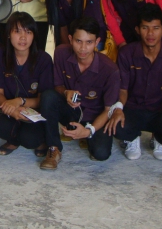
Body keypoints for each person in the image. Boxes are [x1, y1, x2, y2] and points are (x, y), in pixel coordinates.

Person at [105, 3, 162, 161]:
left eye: (156, 28)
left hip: (160, 108)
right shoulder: (126, 53)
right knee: (116, 126)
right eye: (145, 28)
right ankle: (132, 138)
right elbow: (123, 89)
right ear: (137, 30)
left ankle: (159, 139)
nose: (150, 33)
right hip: (133, 107)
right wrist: (118, 108)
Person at [39, 17, 120, 169]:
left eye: (89, 42)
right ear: (70, 39)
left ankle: (83, 135)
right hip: (70, 111)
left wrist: (89, 131)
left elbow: (108, 110)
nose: (83, 48)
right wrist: (66, 92)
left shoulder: (110, 70)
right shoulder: (61, 53)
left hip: (95, 117)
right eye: (78, 41)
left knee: (101, 153)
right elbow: (57, 85)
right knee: (48, 96)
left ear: (97, 42)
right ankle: (53, 147)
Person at [0, 12, 53, 157]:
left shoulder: (44, 59)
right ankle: (13, 141)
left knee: (30, 139)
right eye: (17, 31)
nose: (23, 37)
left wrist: (20, 101)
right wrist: (11, 110)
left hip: (33, 112)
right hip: (8, 108)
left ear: (34, 35)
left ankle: (39, 140)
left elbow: (43, 100)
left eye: (28, 32)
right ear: (8, 34)